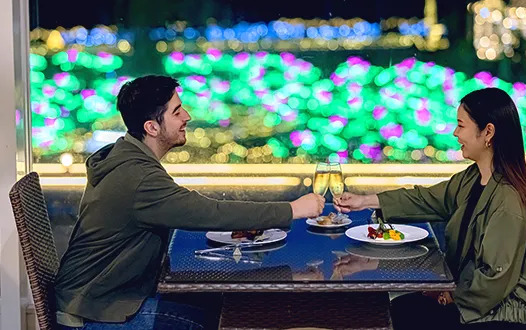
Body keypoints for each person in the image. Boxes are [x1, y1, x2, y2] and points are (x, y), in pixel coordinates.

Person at [54, 75, 325, 329]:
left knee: (220, 304)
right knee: (219, 320)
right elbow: (208, 212)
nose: (187, 116)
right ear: (151, 127)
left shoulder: (126, 156)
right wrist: (292, 209)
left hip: (103, 297)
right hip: (96, 312)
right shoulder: (138, 177)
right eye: (176, 111)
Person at [334, 88, 526, 329]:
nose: (456, 133)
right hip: (475, 299)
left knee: (403, 314)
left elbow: (493, 279)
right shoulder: (473, 178)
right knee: (397, 309)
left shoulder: (508, 199)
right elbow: (427, 199)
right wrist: (365, 201)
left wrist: (447, 296)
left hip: (504, 314)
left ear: (488, 132)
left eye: (461, 126)